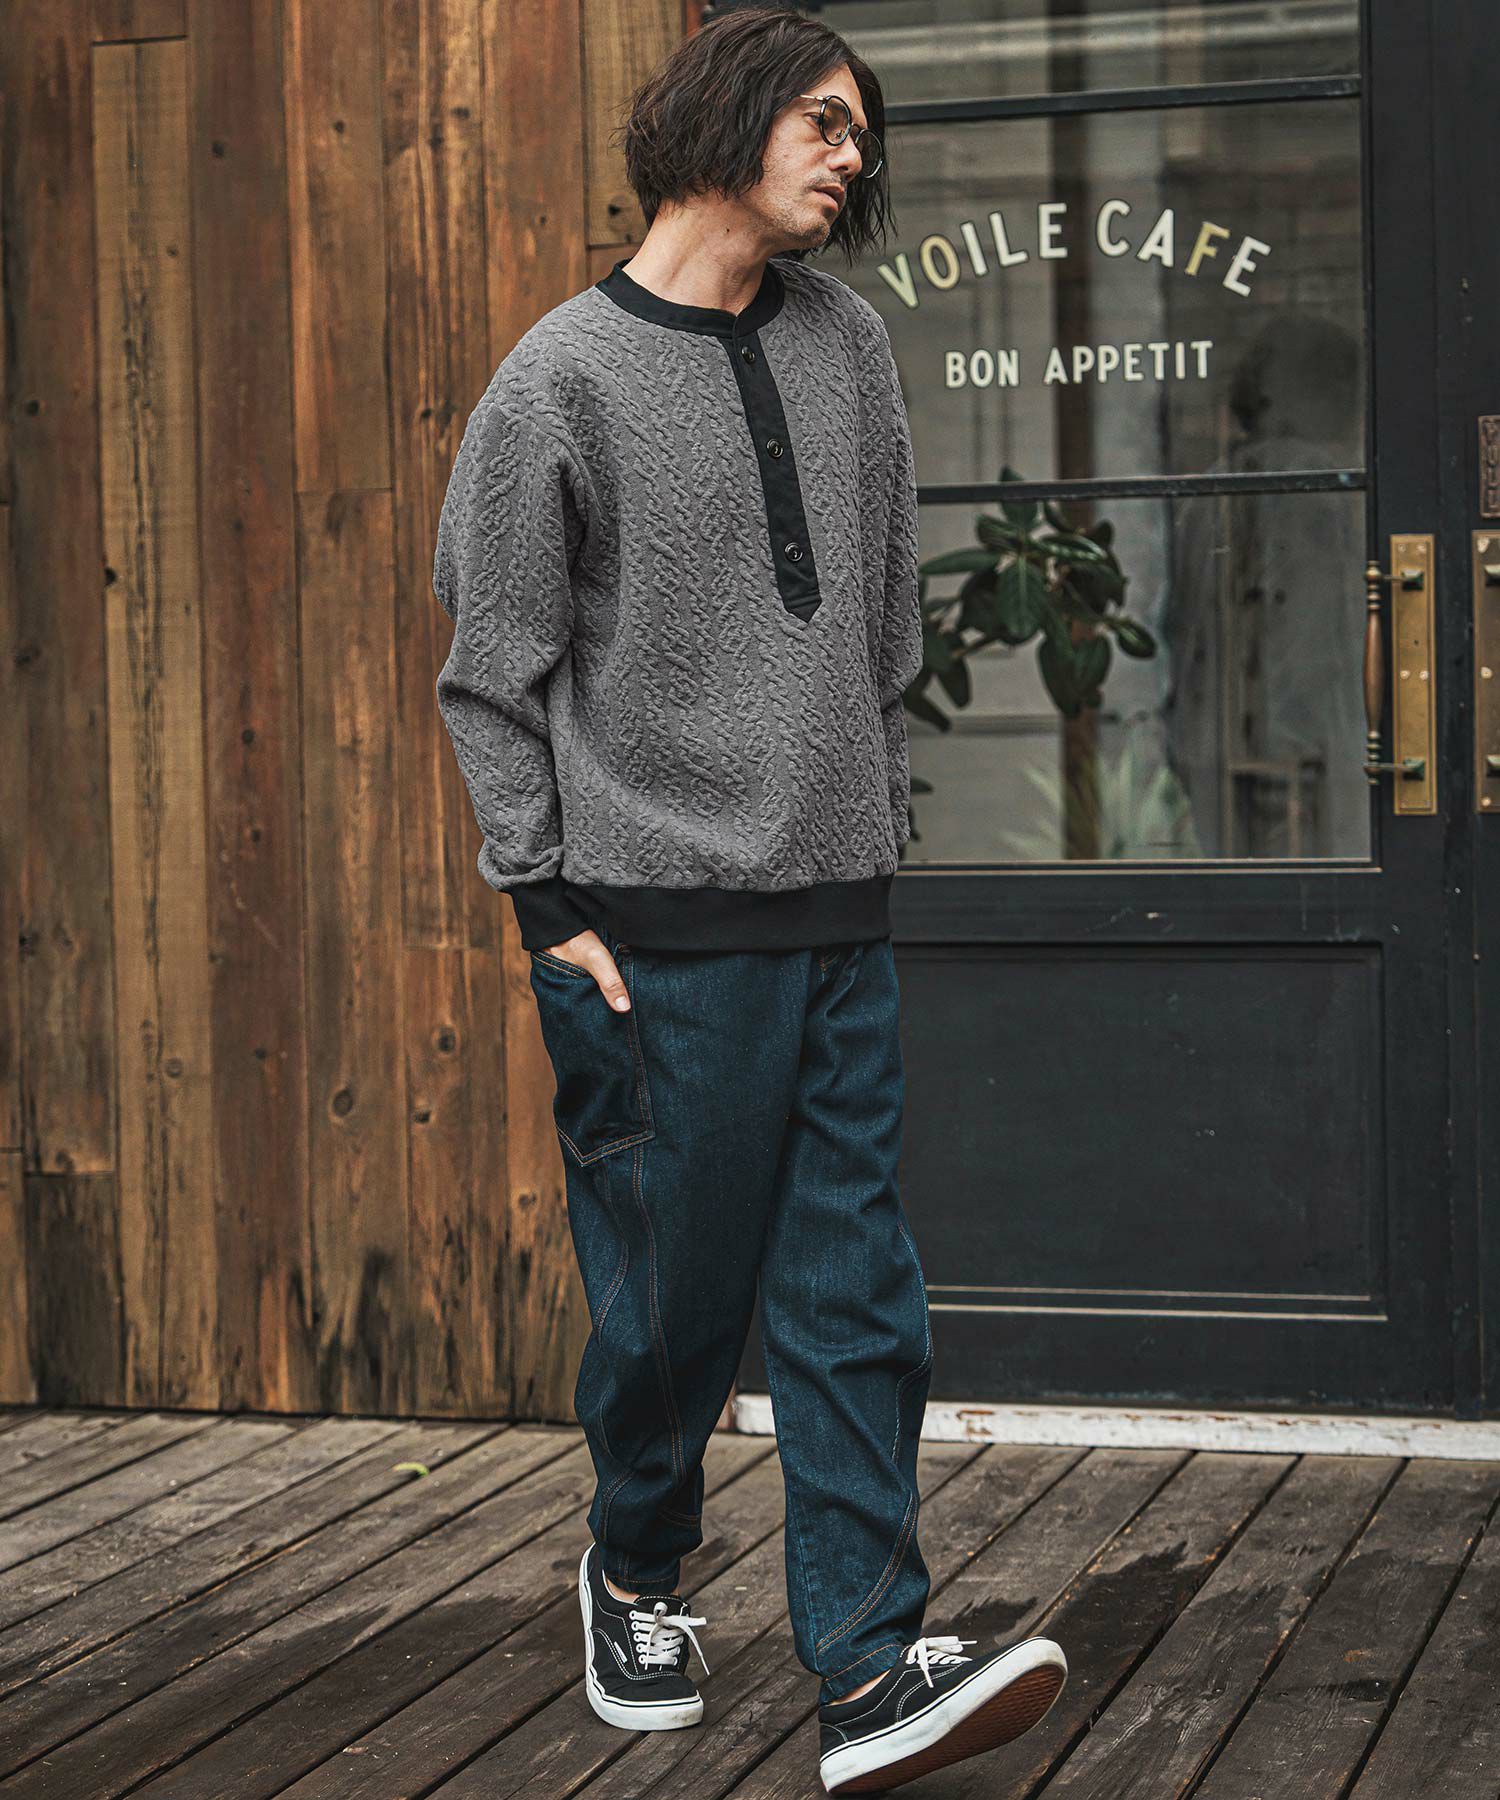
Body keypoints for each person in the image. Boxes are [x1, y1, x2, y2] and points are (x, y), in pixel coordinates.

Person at [431, 8, 1067, 1791]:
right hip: (647, 942)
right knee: (674, 1316)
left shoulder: (847, 345)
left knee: (859, 1296)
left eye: (864, 132)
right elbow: (491, 676)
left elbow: (882, 621)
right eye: (824, 120)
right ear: (721, 116)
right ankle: (636, 1565)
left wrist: (856, 815)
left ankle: (867, 1666)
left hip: (837, 914)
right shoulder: (556, 381)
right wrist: (546, 908)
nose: (853, 156)